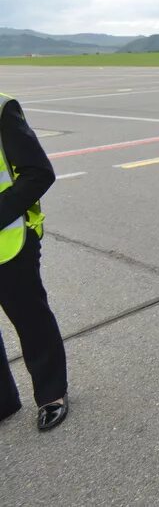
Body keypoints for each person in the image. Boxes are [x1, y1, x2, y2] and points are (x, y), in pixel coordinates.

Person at [0, 93, 69, 431]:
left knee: (30, 319)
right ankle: (3, 401)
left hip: (9, 241)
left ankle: (51, 393)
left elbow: (38, 173)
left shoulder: (2, 109)